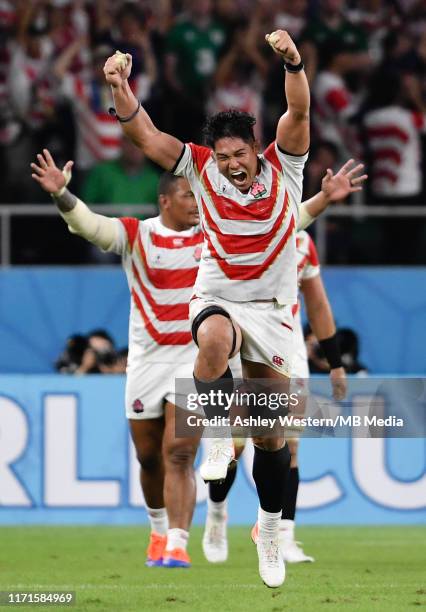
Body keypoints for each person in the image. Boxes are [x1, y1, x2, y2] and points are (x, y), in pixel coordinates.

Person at [103, 31, 365, 588]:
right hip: (218, 294)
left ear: (255, 148)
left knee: (272, 441)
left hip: (271, 309)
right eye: (222, 159)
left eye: (239, 156)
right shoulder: (199, 168)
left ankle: (269, 528)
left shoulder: (285, 166)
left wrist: (293, 62)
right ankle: (219, 437)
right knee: (213, 342)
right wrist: (121, 89)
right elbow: (145, 134)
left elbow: (297, 108)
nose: (231, 167)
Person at [30, 150, 206, 569]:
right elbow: (89, 226)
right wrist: (63, 196)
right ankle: (158, 531)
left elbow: (269, 233)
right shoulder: (136, 235)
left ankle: (179, 544)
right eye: (188, 196)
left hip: (195, 362)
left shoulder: (213, 237)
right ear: (165, 200)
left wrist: (321, 201)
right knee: (149, 458)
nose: (197, 203)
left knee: (180, 452)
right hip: (146, 363)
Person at [202, 172, 364, 566]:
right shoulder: (232, 233)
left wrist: (336, 364)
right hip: (238, 343)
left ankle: (281, 533)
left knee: (288, 444)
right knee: (237, 446)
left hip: (285, 347)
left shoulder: (302, 244)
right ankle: (217, 515)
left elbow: (319, 304)